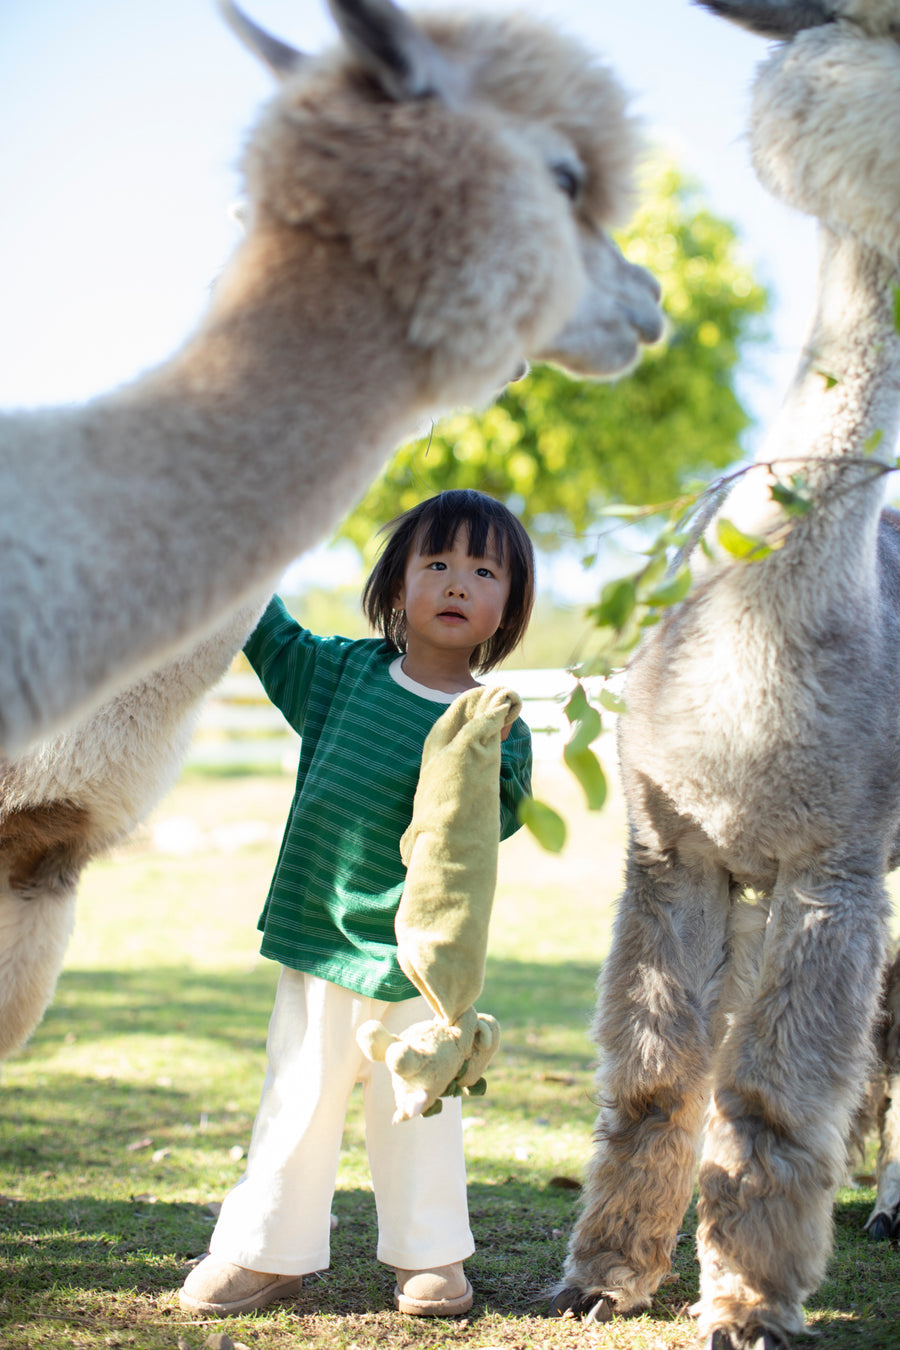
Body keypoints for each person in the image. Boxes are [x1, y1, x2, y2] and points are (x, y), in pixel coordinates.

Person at [179, 489, 535, 1319]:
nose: (457, 582)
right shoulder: (342, 675)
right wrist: (235, 540)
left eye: (484, 571)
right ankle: (266, 1253)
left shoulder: (493, 722)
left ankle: (431, 1258)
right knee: (298, 1098)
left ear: (509, 606)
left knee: (420, 1110)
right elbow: (266, 632)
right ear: (396, 586)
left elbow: (499, 818)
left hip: (423, 958)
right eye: (436, 563)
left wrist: (483, 761)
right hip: (323, 935)